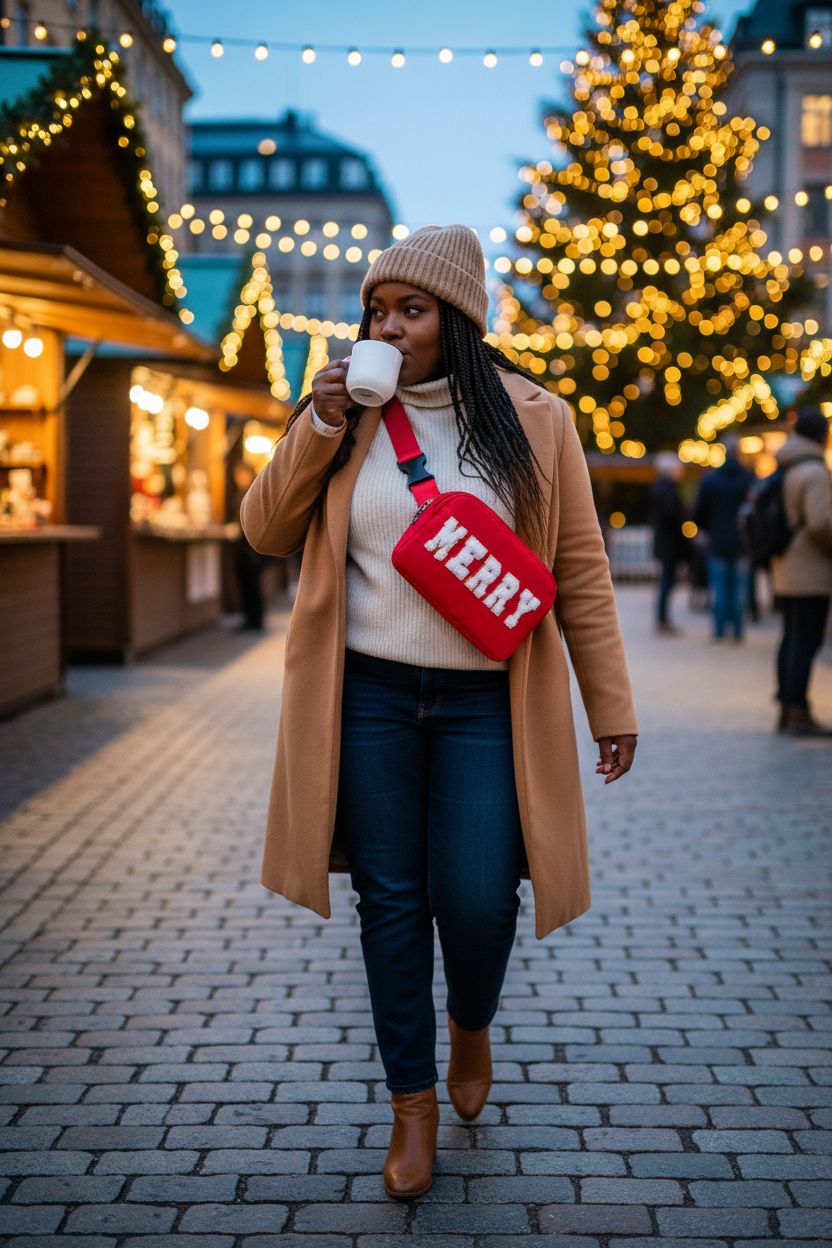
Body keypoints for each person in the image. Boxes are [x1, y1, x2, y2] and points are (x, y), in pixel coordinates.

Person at [240, 224, 638, 1199]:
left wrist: (609, 705)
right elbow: (262, 529)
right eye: (378, 310)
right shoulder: (345, 417)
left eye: (410, 311)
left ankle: (471, 1020)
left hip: (487, 701)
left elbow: (579, 568)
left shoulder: (536, 419)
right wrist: (317, 425)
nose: (389, 327)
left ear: (455, 321)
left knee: (473, 897)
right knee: (391, 903)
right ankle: (409, 1106)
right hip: (368, 694)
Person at [771, 408, 832, 736]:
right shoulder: (814, 471)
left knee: (790, 637)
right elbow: (820, 522)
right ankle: (798, 711)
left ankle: (786, 706)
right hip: (810, 569)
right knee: (805, 641)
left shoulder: (787, 464)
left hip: (786, 566)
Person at [693, 436, 754, 641]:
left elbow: (699, 511)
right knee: (738, 589)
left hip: (717, 539)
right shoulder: (748, 479)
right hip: (742, 541)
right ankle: (737, 630)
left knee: (719, 588)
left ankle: (719, 630)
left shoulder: (710, 480)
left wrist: (708, 529)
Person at [648, 452, 688, 634]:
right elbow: (672, 515)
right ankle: (662, 619)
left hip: (666, 543)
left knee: (667, 581)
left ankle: (663, 618)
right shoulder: (666, 490)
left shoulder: (661, 488)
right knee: (667, 581)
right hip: (669, 544)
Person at [230, 461, 269, 632]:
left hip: (251, 549)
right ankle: (251, 620)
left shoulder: (254, 492)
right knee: (248, 586)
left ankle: (255, 621)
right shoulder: (242, 492)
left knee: (252, 586)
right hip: (244, 549)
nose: (238, 478)